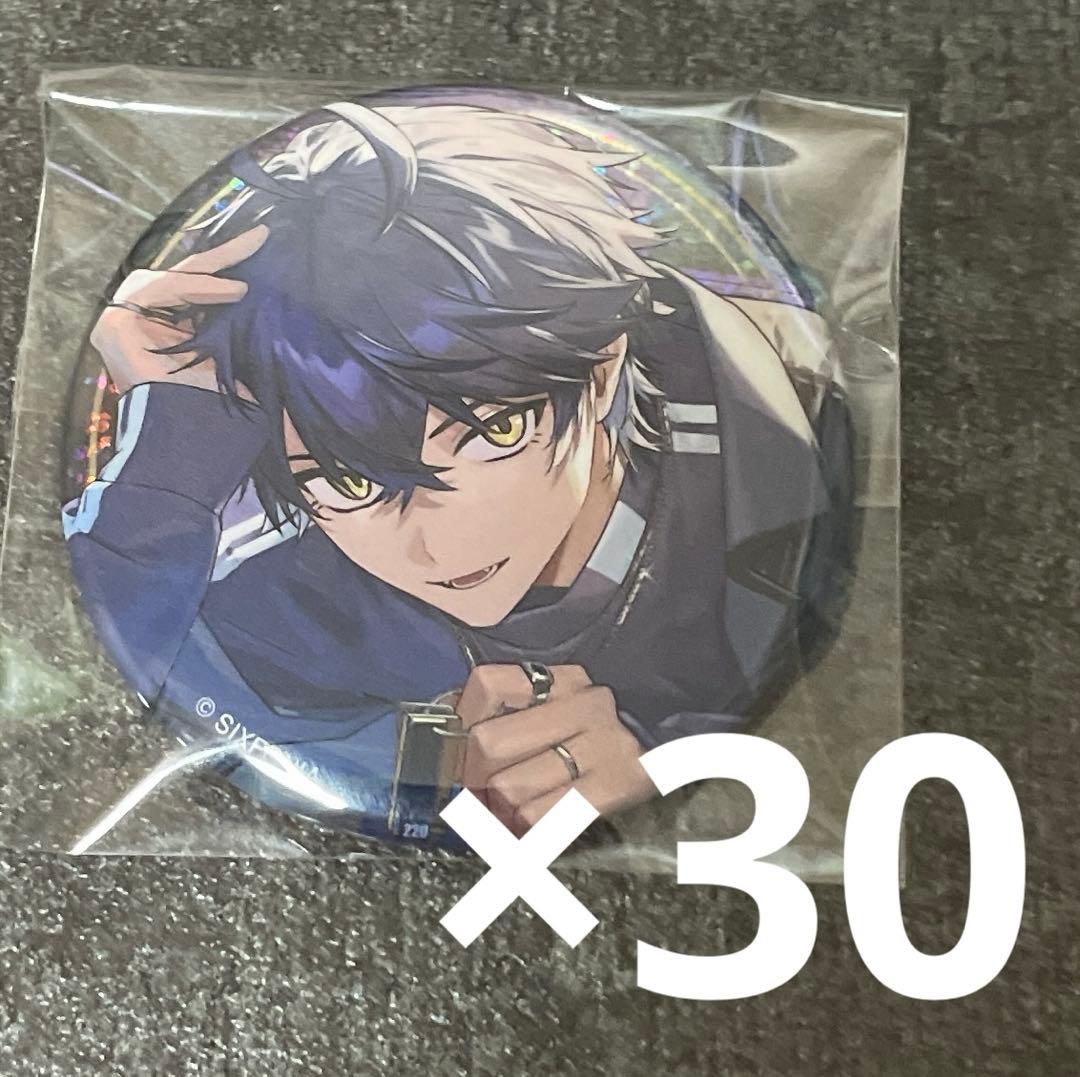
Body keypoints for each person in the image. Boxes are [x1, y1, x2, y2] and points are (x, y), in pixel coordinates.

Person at [65, 100, 854, 845]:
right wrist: (167, 445)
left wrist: (664, 759)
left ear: (603, 368)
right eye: (350, 483)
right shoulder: (285, 611)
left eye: (492, 433)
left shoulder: (770, 460)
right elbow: (127, 690)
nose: (438, 547)